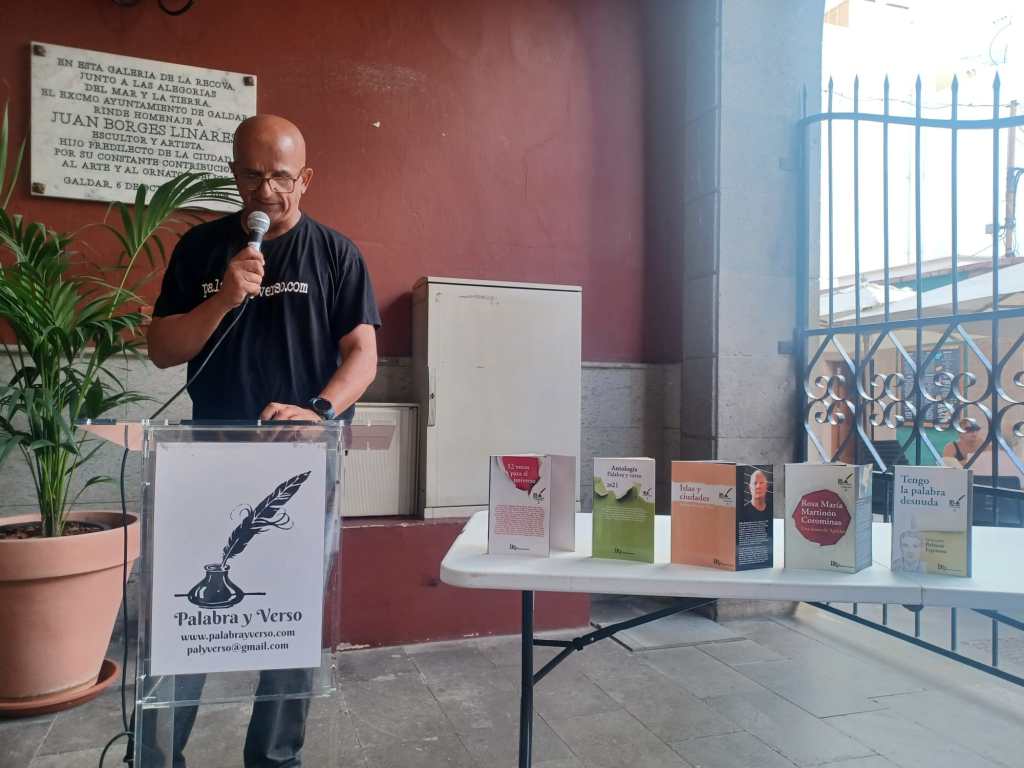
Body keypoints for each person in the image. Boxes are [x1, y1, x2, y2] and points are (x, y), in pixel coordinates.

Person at [135, 114, 380, 767]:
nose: (266, 190)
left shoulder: (337, 254)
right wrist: (222, 299)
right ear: (234, 173)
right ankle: (158, 756)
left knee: (290, 619)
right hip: (205, 463)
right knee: (188, 613)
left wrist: (319, 410)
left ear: (306, 178)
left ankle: (274, 758)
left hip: (298, 468)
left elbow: (363, 354)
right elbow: (161, 349)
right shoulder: (201, 247)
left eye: (281, 177)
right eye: (252, 174)